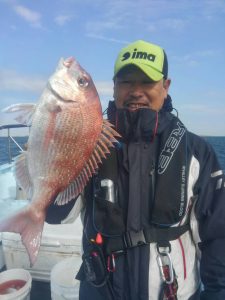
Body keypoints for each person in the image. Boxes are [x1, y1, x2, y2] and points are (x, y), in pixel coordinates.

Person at [46, 40, 225, 300]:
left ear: (165, 87)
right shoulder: (91, 144)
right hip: (100, 292)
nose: (136, 91)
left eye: (147, 82)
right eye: (127, 82)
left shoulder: (197, 151)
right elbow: (56, 215)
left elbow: (217, 236)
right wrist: (59, 154)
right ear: (115, 86)